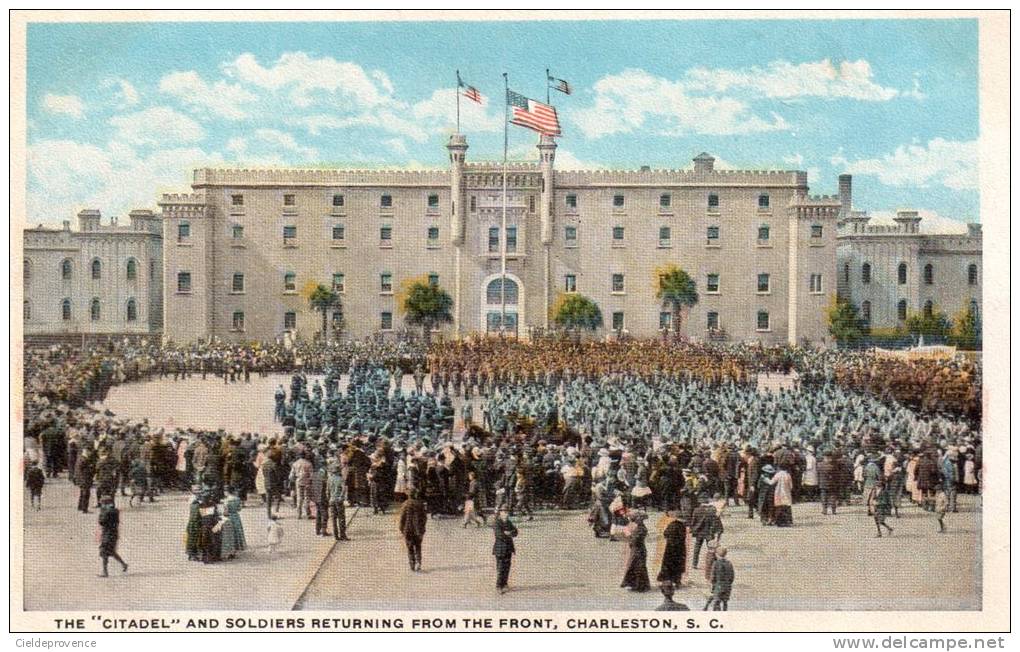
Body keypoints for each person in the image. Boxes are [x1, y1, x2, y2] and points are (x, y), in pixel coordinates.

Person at [97, 496, 128, 577]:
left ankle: (105, 571)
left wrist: (101, 513)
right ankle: (123, 564)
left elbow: (101, 522)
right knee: (111, 551)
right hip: (113, 533)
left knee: (104, 552)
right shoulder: (115, 511)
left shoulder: (107, 512)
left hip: (107, 534)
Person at [620, 511, 651, 592]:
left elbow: (634, 541)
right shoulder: (641, 528)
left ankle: (639, 585)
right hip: (638, 550)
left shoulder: (640, 529)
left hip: (638, 550)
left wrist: (628, 535)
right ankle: (639, 585)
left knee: (637, 567)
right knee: (637, 567)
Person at [655, 510, 687, 588]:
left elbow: (665, 534)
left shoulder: (671, 525)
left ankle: (666, 582)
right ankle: (677, 581)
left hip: (670, 548)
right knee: (678, 565)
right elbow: (683, 537)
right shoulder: (683, 526)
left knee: (668, 565)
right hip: (680, 548)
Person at [398, 490, 428, 572]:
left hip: (408, 530)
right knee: (418, 546)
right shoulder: (420, 504)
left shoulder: (404, 505)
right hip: (418, 529)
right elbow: (424, 518)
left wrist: (401, 529)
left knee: (410, 547)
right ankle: (418, 562)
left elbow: (401, 519)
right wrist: (422, 528)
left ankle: (412, 564)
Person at [690, 497, 722, 569]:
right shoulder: (712, 510)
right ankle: (713, 562)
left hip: (699, 532)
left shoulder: (696, 510)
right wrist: (717, 531)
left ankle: (694, 563)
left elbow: (693, 521)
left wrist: (692, 529)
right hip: (709, 532)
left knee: (697, 548)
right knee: (711, 548)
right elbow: (715, 522)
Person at [492, 508, 518, 594]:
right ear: (500, 513)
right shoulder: (497, 523)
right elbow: (499, 535)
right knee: (501, 567)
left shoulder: (508, 522)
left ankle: (505, 583)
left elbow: (516, 532)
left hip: (508, 548)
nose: (506, 514)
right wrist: (507, 533)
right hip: (500, 549)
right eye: (505, 512)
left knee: (507, 567)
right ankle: (499, 585)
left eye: (507, 512)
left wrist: (509, 533)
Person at [704, 546, 734, 611]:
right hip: (727, 586)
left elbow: (713, 576)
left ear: (717, 554)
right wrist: (729, 583)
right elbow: (732, 576)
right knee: (725, 602)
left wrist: (712, 583)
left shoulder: (716, 563)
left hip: (718, 585)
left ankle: (715, 613)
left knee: (716, 601)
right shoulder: (729, 563)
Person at [327, 461, 350, 542]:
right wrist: (342, 497)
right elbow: (344, 489)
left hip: (332, 500)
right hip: (339, 500)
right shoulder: (341, 479)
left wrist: (329, 498)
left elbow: (327, 490)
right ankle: (343, 535)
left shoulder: (329, 479)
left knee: (333, 518)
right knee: (341, 518)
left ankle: (336, 535)